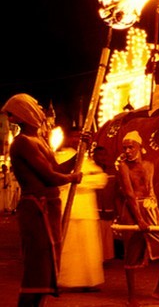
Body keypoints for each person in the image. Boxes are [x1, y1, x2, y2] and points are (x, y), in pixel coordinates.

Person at [1, 93, 83, 307]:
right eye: (35, 106)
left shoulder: (40, 141)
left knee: (47, 275)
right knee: (37, 274)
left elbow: (57, 169)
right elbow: (51, 176)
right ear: (24, 113)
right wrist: (72, 178)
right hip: (37, 210)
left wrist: (81, 152)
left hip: (49, 209)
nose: (40, 109)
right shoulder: (22, 143)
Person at [116, 131, 159, 306]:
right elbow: (128, 194)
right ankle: (131, 297)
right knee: (131, 255)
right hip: (133, 212)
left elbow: (151, 191)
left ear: (140, 147)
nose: (127, 151)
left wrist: (158, 216)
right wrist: (139, 219)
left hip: (149, 209)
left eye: (130, 147)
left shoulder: (149, 165)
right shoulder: (123, 166)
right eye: (125, 148)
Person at [57, 148, 106, 292]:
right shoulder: (61, 158)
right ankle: (65, 282)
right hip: (68, 211)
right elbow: (59, 180)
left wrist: (77, 180)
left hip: (87, 211)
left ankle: (89, 281)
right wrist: (74, 179)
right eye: (74, 137)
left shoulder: (87, 161)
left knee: (89, 249)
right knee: (69, 249)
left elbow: (101, 179)